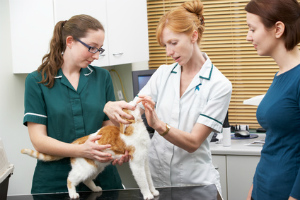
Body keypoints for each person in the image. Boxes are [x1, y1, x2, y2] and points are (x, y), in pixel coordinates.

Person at [104, 0, 232, 198]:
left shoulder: (218, 84)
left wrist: (159, 125)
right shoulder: (162, 74)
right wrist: (111, 108)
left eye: (173, 43)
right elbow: (133, 110)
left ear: (194, 36)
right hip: (158, 181)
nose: (168, 52)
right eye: (165, 45)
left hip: (196, 184)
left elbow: (193, 142)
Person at [23, 14, 128, 194]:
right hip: (56, 179)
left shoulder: (102, 78)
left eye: (100, 50)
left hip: (101, 175)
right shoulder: (37, 81)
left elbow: (109, 130)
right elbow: (39, 141)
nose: (96, 56)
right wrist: (81, 150)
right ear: (70, 41)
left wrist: (120, 146)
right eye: (92, 48)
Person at [245, 0, 300, 200]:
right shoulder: (280, 75)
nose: (247, 37)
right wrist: (253, 189)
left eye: (252, 29)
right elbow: (274, 143)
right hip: (263, 188)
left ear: (278, 29)